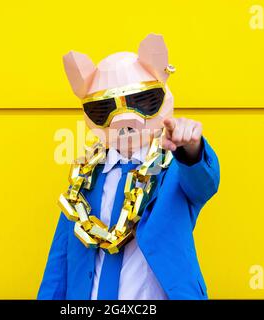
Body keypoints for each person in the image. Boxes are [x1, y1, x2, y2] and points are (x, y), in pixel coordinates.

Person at [38, 34, 220, 300]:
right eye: (104, 108)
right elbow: (60, 261)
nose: (124, 118)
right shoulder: (83, 181)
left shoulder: (174, 168)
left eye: (142, 101)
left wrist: (190, 149)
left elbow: (203, 183)